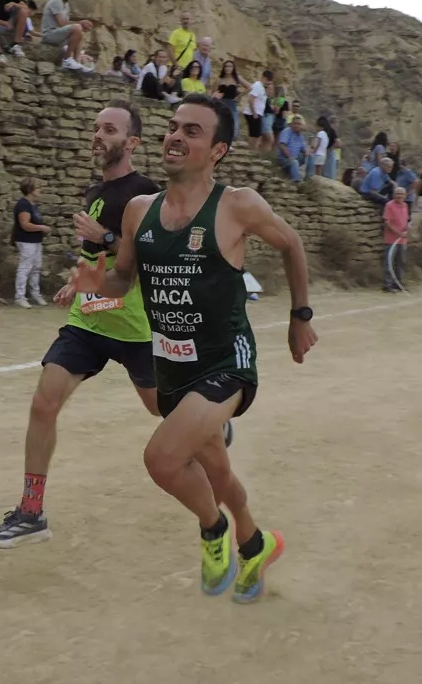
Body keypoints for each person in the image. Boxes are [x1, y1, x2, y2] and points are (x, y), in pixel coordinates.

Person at [71, 94, 318, 603]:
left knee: (162, 459)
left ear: (218, 151)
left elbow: (291, 244)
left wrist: (300, 317)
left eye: (192, 131)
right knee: (216, 470)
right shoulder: (139, 211)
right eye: (173, 127)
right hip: (171, 365)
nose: (176, 137)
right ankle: (255, 544)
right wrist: (97, 284)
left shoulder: (237, 205)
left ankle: (213, 529)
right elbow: (122, 280)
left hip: (226, 362)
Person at [0, 102, 179, 549]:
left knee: (159, 408)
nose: (98, 136)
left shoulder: (145, 193)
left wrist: (103, 237)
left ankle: (207, 425)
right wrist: (79, 279)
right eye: (96, 128)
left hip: (134, 325)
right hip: (88, 320)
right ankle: (31, 513)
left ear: (132, 142)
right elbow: (97, 259)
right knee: (43, 404)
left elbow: (148, 258)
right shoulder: (95, 192)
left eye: (109, 129)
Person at [40, 0, 95, 72]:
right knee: (77, 28)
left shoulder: (66, 5)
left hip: (58, 36)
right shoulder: (56, 1)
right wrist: (80, 23)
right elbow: (62, 23)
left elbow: (66, 25)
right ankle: (66, 60)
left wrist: (80, 27)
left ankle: (76, 62)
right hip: (49, 35)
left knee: (80, 33)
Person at [12, 178, 49, 308]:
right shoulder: (23, 205)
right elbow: (25, 225)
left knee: (36, 268)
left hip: (35, 241)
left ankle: (35, 294)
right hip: (26, 241)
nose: (40, 190)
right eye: (38, 188)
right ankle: (20, 297)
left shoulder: (32, 205)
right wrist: (42, 228)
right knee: (25, 267)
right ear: (30, 190)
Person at [382, 186, 409, 292]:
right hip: (391, 239)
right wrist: (398, 233)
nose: (399, 196)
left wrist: (406, 231)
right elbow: (387, 222)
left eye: (401, 194)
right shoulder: (389, 205)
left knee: (401, 262)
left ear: (405, 195)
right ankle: (387, 284)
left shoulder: (405, 205)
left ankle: (398, 283)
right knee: (389, 262)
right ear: (394, 195)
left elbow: (406, 221)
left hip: (402, 240)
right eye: (397, 193)